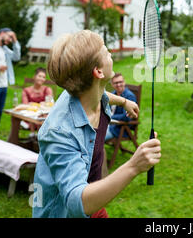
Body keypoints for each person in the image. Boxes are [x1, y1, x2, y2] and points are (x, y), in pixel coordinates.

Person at [32, 30, 161, 218]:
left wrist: (124, 102)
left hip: (93, 198)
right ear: (98, 72)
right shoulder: (59, 133)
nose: (110, 53)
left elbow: (102, 95)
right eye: (105, 50)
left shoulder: (86, 93)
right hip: (69, 210)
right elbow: (76, 202)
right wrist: (133, 166)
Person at [105, 73, 137, 142]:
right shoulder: (113, 94)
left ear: (124, 82)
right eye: (116, 83)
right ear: (112, 84)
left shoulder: (129, 97)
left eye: (120, 82)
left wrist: (110, 116)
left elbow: (126, 117)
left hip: (120, 129)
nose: (118, 85)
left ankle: (100, 152)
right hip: (109, 125)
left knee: (97, 138)